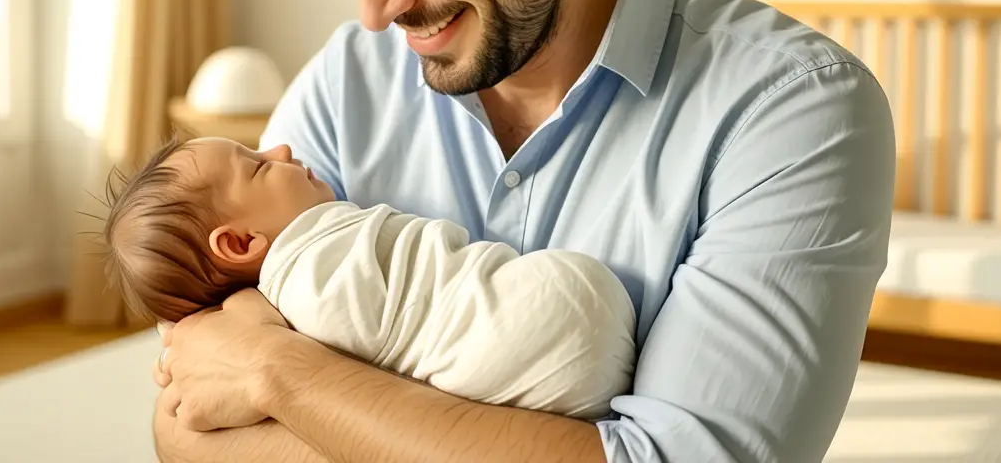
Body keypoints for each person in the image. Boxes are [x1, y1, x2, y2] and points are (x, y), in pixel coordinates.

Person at [152, 0, 896, 461]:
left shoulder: (791, 111)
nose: (375, 12)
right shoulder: (349, 81)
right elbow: (188, 426)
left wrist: (283, 375)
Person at [103, 135, 635, 419]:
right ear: (241, 244)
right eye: (259, 165)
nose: (281, 149)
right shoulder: (308, 286)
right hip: (550, 311)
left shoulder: (277, 312)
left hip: (551, 343)